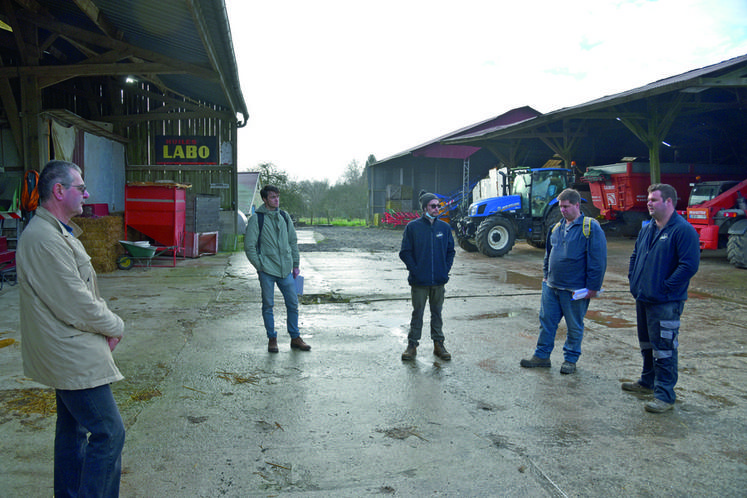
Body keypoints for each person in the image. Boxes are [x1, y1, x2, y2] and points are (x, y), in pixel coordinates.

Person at [17, 160, 125, 497]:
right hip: (69, 351)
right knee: (109, 432)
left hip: (66, 347)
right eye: (81, 187)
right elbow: (75, 303)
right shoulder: (44, 239)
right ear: (59, 191)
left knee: (73, 430)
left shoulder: (57, 232)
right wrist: (115, 325)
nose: (87, 194)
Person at [624, 183, 700, 413]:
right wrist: (634, 280)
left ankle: (665, 396)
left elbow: (689, 266)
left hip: (665, 302)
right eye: (648, 199)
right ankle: (647, 382)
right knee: (647, 344)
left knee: (664, 348)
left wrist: (667, 288)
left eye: (654, 200)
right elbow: (635, 255)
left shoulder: (682, 230)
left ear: (668, 202)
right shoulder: (648, 228)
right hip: (644, 297)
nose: (649, 203)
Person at [520, 188, 607, 374]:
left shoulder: (590, 227)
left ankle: (570, 359)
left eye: (566, 206)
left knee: (574, 325)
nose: (563, 210)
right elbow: (548, 254)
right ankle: (542, 356)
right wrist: (545, 275)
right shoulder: (556, 228)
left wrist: (593, 286)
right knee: (546, 322)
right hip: (551, 286)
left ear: (577, 205)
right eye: (561, 206)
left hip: (575, 290)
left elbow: (598, 260)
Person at [244, 185, 310, 353]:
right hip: (267, 270)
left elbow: (292, 241)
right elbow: (249, 247)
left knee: (293, 304)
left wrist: (295, 264)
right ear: (265, 199)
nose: (276, 200)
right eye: (272, 197)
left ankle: (295, 337)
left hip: (285, 270)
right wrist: (260, 266)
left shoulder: (284, 216)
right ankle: (272, 339)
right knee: (268, 305)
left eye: (277, 197)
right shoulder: (256, 219)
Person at [399, 191, 456, 361]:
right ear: (424, 208)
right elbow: (405, 252)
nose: (437, 208)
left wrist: (444, 270)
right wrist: (415, 270)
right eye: (433, 206)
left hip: (438, 281)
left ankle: (439, 344)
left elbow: (450, 252)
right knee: (418, 313)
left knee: (437, 312)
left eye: (438, 206)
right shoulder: (413, 227)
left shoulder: (444, 228)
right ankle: (412, 345)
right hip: (419, 282)